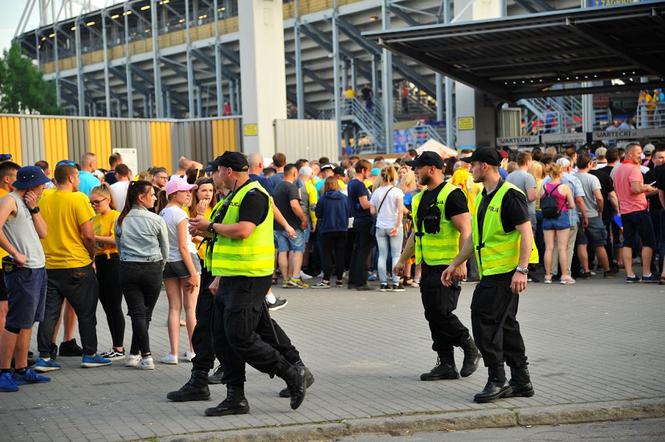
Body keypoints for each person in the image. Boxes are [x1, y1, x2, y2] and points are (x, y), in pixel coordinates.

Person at [188, 151, 310, 416]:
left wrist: (210, 226)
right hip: (230, 277)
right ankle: (235, 398)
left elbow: (244, 231)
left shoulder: (253, 195)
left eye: (216, 171)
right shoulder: (233, 197)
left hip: (249, 278)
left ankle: (291, 373)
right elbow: (225, 236)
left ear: (228, 171)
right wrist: (205, 231)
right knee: (223, 339)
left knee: (241, 337)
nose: (214, 176)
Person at [442, 147, 536, 403]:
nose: (469, 169)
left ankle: (497, 379)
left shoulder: (509, 195)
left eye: (472, 165)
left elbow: (526, 233)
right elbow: (476, 238)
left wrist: (522, 270)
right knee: (506, 325)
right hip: (493, 273)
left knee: (484, 323)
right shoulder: (486, 196)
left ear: (484, 166)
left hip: (505, 273)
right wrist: (455, 263)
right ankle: (521, 380)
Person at [394, 151, 481, 382]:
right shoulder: (419, 198)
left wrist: (460, 262)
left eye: (418, 168)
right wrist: (403, 259)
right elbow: (416, 233)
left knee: (442, 313)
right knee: (432, 315)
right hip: (429, 266)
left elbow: (466, 230)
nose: (415, 172)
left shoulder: (452, 195)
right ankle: (446, 364)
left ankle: (469, 346)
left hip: (448, 266)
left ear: (432, 168)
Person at [35, 163, 111, 372]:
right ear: (70, 178)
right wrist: (91, 254)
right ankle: (90, 354)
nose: (79, 180)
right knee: (86, 311)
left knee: (50, 313)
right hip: (76, 263)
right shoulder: (78, 199)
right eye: (77, 177)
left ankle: (44, 357)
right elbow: (87, 234)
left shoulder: (45, 197)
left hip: (50, 264)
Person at [0, 166, 51, 392]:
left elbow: (44, 233)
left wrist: (35, 208)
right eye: (41, 184)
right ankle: (4, 372)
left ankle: (21, 369)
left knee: (27, 322)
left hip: (37, 269)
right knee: (14, 322)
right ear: (31, 185)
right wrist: (14, 252)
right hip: (23, 271)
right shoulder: (9, 200)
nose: (43, 188)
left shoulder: (28, 204)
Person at [116, 181, 169, 370]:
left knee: (139, 314)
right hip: (152, 268)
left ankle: (134, 353)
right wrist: (159, 266)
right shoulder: (156, 219)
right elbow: (165, 249)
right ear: (141, 196)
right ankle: (146, 355)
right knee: (144, 314)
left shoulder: (121, 219)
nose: (155, 197)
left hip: (128, 268)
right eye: (152, 194)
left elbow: (119, 246)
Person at [160, 177, 201, 365]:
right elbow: (184, 246)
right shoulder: (180, 214)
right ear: (174, 194)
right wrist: (193, 272)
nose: (188, 194)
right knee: (191, 309)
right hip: (186, 261)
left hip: (168, 262)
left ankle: (173, 353)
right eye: (185, 191)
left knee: (174, 308)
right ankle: (194, 351)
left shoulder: (162, 213)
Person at [613, 143, 658, 283]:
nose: (641, 156)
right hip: (638, 209)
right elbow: (636, 188)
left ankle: (630, 275)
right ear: (630, 154)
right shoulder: (634, 169)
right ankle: (646, 273)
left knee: (627, 243)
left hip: (625, 211)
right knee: (649, 242)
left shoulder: (618, 170)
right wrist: (649, 188)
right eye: (639, 153)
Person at [89, 185, 125, 360]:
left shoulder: (115, 216)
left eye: (97, 202)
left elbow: (116, 240)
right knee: (107, 306)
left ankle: (119, 348)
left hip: (113, 261)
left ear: (108, 200)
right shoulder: (95, 219)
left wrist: (93, 238)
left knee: (114, 306)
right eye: (91, 203)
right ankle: (115, 346)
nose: (94, 205)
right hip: (101, 262)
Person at [574, 153, 613, 278]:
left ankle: (586, 271)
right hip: (593, 214)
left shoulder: (572, 178)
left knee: (581, 244)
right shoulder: (592, 179)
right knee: (599, 244)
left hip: (577, 214)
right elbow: (599, 198)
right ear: (590, 164)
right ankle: (607, 270)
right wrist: (600, 209)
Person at [273, 164, 309, 289]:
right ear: (294, 173)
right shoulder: (292, 187)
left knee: (283, 251)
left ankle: (286, 279)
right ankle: (295, 277)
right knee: (298, 250)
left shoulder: (277, 187)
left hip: (279, 225)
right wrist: (303, 218)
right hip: (293, 225)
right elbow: (294, 205)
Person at [370, 166, 405, 291]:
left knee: (382, 255)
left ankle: (383, 283)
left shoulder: (376, 192)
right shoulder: (397, 192)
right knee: (396, 254)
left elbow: (372, 211)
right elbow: (400, 210)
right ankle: (396, 282)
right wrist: (396, 225)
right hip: (394, 226)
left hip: (380, 226)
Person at [541, 163, 575, 284]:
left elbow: (541, 202)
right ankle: (565, 276)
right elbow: (571, 204)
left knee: (549, 248)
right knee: (562, 248)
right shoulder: (564, 187)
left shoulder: (544, 186)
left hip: (547, 219)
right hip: (561, 217)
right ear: (560, 173)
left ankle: (548, 276)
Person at [313, 177, 349, 288]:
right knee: (340, 254)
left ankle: (326, 280)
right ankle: (339, 280)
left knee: (327, 254)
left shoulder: (323, 199)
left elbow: (318, 214)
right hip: (342, 229)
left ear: (326, 186)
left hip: (327, 229)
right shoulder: (344, 198)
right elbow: (350, 212)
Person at [0, 161, 20, 337]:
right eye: (17, 177)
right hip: (4, 261)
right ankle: (6, 351)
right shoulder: (7, 200)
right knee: (5, 308)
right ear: (7, 179)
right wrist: (14, 252)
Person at [347, 159, 373, 290]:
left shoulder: (351, 183)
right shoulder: (360, 185)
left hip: (357, 220)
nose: (369, 173)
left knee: (356, 251)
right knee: (363, 252)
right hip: (364, 220)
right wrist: (375, 203)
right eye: (369, 170)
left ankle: (352, 280)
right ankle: (361, 281)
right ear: (363, 170)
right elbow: (364, 204)